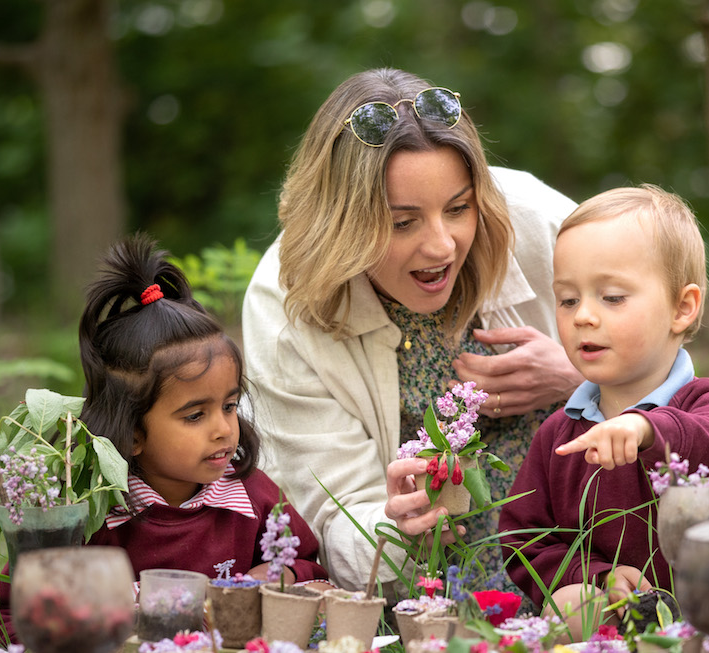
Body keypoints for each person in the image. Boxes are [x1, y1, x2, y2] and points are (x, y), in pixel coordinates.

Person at [241, 68, 582, 591]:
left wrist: (579, 376)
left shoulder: (538, 222)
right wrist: (397, 529)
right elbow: (334, 519)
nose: (442, 245)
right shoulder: (285, 305)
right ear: (343, 222)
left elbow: (666, 358)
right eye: (403, 222)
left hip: (583, 568)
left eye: (459, 209)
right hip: (418, 602)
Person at [0, 235, 330, 641]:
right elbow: (5, 615)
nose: (223, 428)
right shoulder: (89, 515)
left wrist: (280, 575)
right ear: (133, 434)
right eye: (195, 415)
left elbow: (311, 566)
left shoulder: (254, 499)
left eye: (229, 406)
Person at [497, 185, 709, 635]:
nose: (583, 316)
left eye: (612, 297)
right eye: (568, 299)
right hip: (609, 622)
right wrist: (593, 574)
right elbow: (524, 538)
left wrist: (648, 429)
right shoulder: (561, 434)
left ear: (682, 307)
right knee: (571, 605)